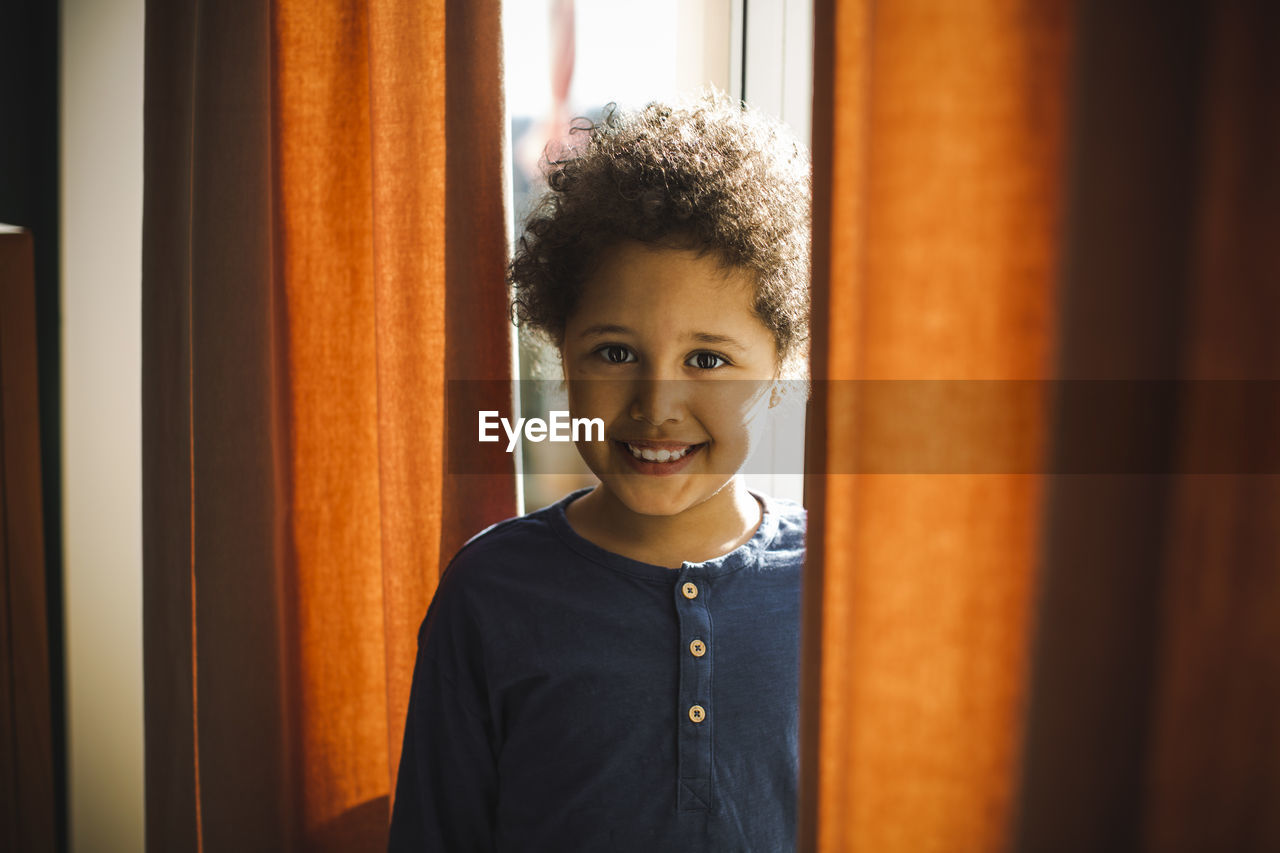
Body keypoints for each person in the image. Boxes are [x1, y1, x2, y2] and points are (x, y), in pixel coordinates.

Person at [388, 92, 810, 852]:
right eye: (616, 353)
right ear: (561, 353)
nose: (657, 405)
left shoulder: (842, 589)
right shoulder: (489, 593)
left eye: (708, 360)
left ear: (780, 369)